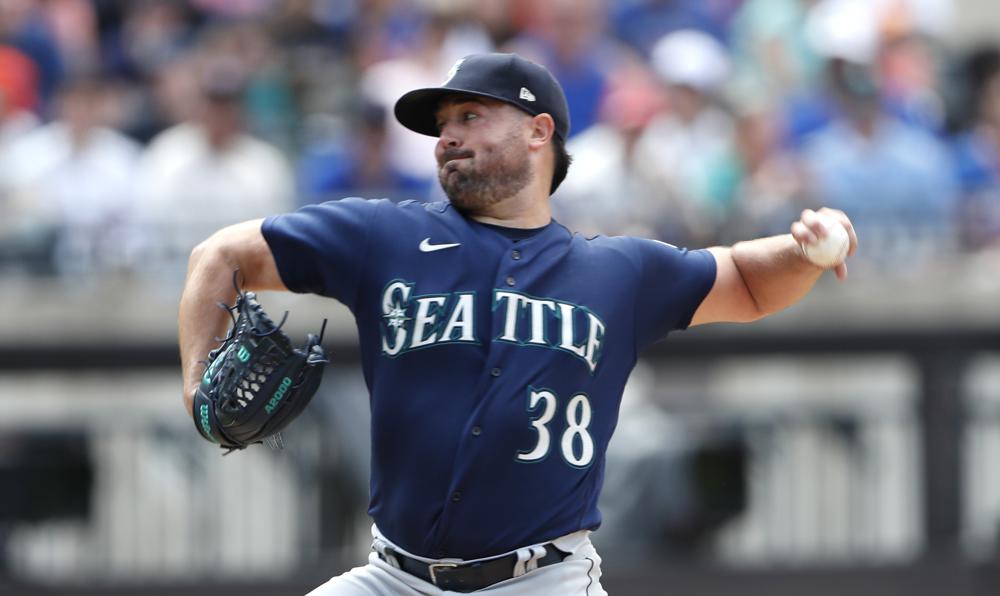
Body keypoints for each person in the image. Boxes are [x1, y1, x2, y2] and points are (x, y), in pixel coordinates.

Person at [178, 53, 857, 595]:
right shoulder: (380, 235)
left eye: (470, 116)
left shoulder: (616, 273)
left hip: (543, 582)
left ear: (539, 132)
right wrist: (194, 385)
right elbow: (222, 255)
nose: (447, 136)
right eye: (442, 123)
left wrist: (812, 245)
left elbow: (743, 278)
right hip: (394, 577)